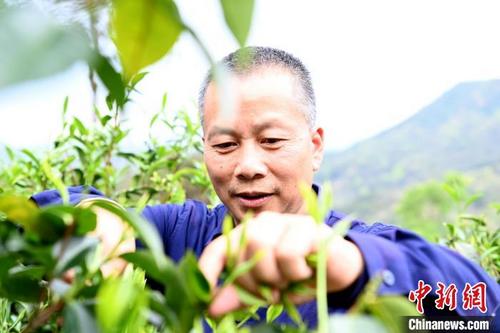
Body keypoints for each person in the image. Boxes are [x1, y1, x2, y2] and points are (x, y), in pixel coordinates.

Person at [31, 47, 499, 328]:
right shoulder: (177, 238)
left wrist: (350, 267)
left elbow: (484, 312)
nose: (247, 166)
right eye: (226, 144)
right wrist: (95, 215)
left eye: (272, 140)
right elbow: (37, 222)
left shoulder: (362, 251)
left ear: (315, 147)